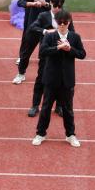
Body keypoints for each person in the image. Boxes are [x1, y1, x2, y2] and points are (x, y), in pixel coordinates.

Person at [32, 9, 85, 147]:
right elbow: (43, 51)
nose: (62, 25)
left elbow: (82, 54)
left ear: (69, 22)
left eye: (65, 22)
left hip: (67, 80)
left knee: (68, 109)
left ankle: (70, 135)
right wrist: (58, 48)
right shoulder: (50, 36)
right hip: (51, 79)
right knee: (46, 108)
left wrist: (70, 49)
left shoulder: (75, 37)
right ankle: (40, 133)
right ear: (56, 22)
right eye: (60, 22)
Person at [26, 0, 72, 118]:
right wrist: (46, 31)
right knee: (41, 78)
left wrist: (66, 37)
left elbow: (72, 32)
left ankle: (59, 106)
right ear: (50, 3)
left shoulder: (66, 16)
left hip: (61, 54)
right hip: (46, 53)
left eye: (59, 6)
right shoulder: (43, 15)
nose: (57, 8)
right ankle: (35, 105)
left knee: (61, 81)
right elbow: (32, 27)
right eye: (54, 5)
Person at [17, 0, 59, 83]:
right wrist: (32, 4)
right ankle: (21, 74)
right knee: (25, 53)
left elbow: (59, 8)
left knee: (44, 55)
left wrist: (45, 4)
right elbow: (20, 2)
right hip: (34, 26)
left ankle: (43, 77)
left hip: (48, 29)